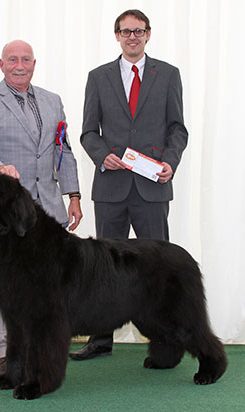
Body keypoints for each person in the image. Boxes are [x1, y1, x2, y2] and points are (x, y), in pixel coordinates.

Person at [69, 9, 188, 361]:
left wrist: (170, 161)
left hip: (152, 187)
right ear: (117, 36)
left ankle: (165, 343)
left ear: (148, 34)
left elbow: (177, 128)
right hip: (111, 188)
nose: (132, 37)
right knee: (102, 268)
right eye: (125, 31)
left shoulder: (168, 75)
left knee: (157, 269)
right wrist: (101, 154)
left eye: (138, 31)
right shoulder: (98, 77)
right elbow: (88, 131)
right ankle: (100, 341)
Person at [0, 40, 83, 374]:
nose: (20, 65)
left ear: (35, 63)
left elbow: (64, 150)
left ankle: (45, 351)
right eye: (12, 60)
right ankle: (6, 353)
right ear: (1, 64)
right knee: (6, 285)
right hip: (6, 213)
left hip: (48, 212)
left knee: (51, 289)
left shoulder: (52, 101)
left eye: (26, 59)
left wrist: (72, 194)